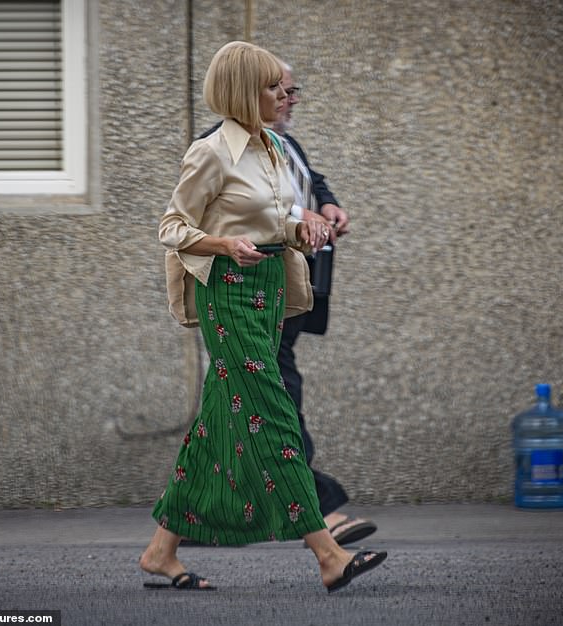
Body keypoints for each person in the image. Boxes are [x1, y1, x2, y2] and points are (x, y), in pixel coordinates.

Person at [139, 41, 386, 593]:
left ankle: (160, 552)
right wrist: (223, 244)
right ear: (243, 92)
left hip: (272, 290)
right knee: (272, 415)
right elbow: (171, 228)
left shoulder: (273, 146)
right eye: (274, 87)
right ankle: (327, 553)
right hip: (227, 292)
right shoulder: (211, 151)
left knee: (216, 424)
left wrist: (307, 230)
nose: (286, 95)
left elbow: (276, 220)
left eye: (285, 86)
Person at [273, 64, 378, 547]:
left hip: (291, 296)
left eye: (296, 91)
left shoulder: (282, 140)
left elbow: (308, 177)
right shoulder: (229, 144)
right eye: (284, 91)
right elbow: (247, 205)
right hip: (254, 297)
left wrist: (327, 203)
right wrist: (301, 214)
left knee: (230, 416)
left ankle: (189, 526)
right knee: (276, 402)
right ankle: (321, 514)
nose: (293, 99)